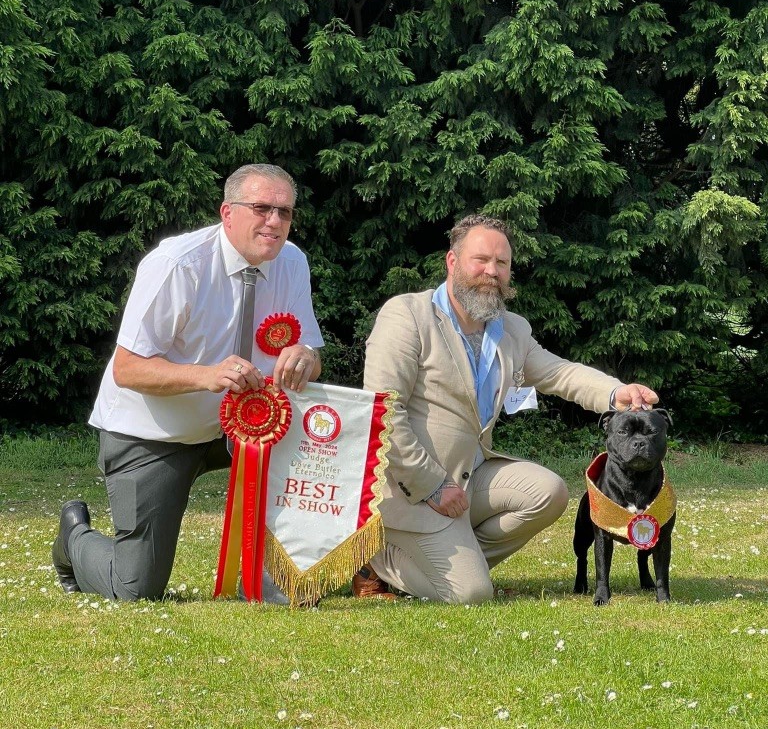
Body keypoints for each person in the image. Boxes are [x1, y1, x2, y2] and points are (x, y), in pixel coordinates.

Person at [52, 163, 323, 601]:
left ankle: (280, 575)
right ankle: (73, 539)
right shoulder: (177, 263)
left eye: (285, 212)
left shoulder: (293, 261)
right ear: (226, 212)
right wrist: (207, 375)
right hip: (153, 433)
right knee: (136, 588)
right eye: (261, 208)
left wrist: (305, 356)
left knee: (318, 442)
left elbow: (312, 352)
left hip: (245, 430)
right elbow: (128, 368)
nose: (274, 221)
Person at [357, 214, 658, 603]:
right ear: (452, 262)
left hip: (470, 475)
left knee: (547, 492)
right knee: (472, 596)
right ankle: (377, 561)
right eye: (480, 260)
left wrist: (617, 392)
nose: (492, 272)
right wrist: (431, 485)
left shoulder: (510, 328)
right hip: (412, 487)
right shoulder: (406, 315)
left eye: (502, 263)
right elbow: (385, 412)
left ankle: (453, 562)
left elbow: (559, 373)